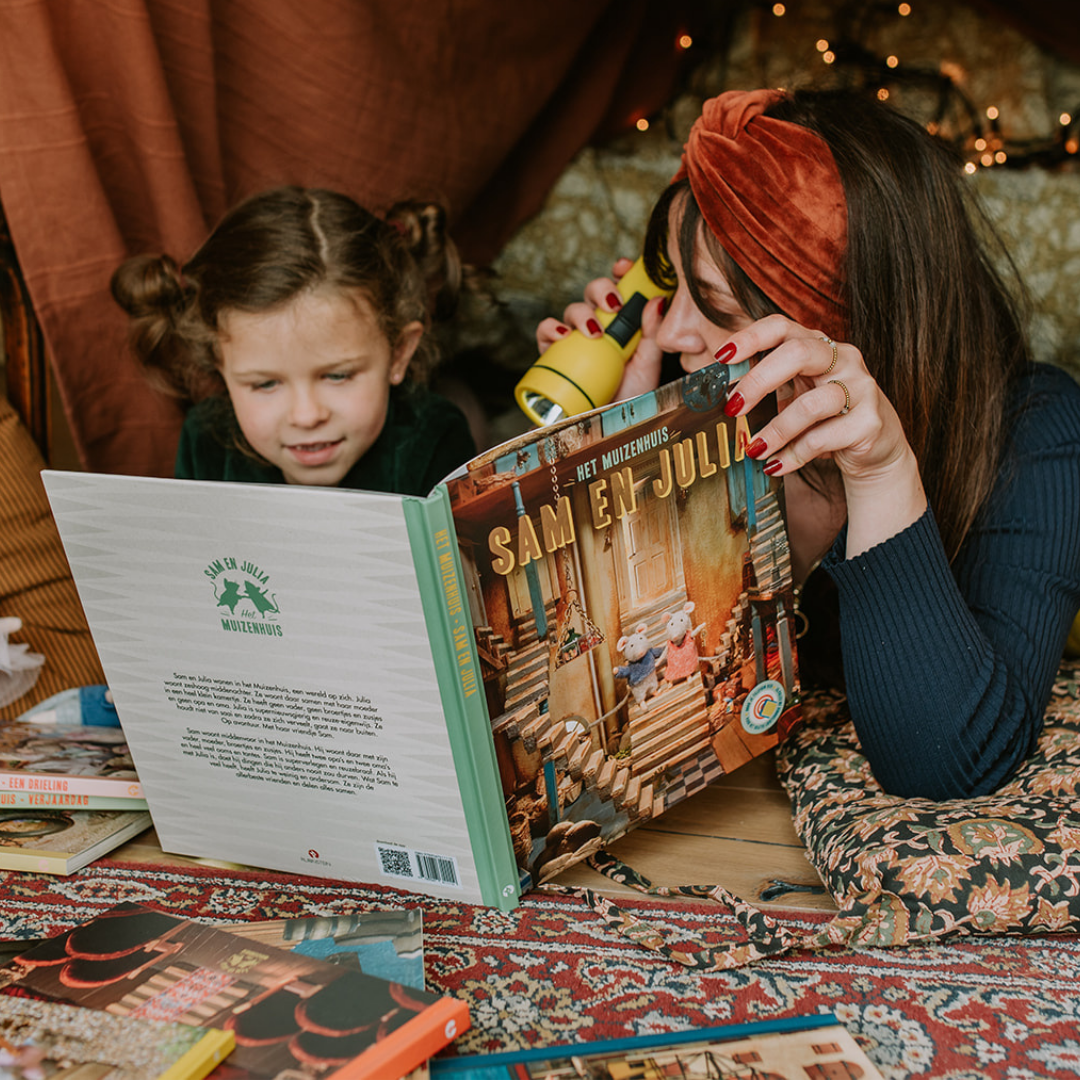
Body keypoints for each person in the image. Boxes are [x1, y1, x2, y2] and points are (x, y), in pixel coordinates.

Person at [537, 87, 1080, 800]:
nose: (671, 331)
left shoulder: (1037, 433)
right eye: (671, 285)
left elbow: (949, 762)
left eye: (716, 304)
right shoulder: (689, 394)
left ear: (844, 324)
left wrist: (882, 475)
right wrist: (620, 453)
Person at [111, 186, 477, 496]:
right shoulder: (205, 441)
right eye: (265, 384)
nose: (307, 416)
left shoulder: (434, 437)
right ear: (218, 362)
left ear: (398, 354)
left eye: (338, 376)